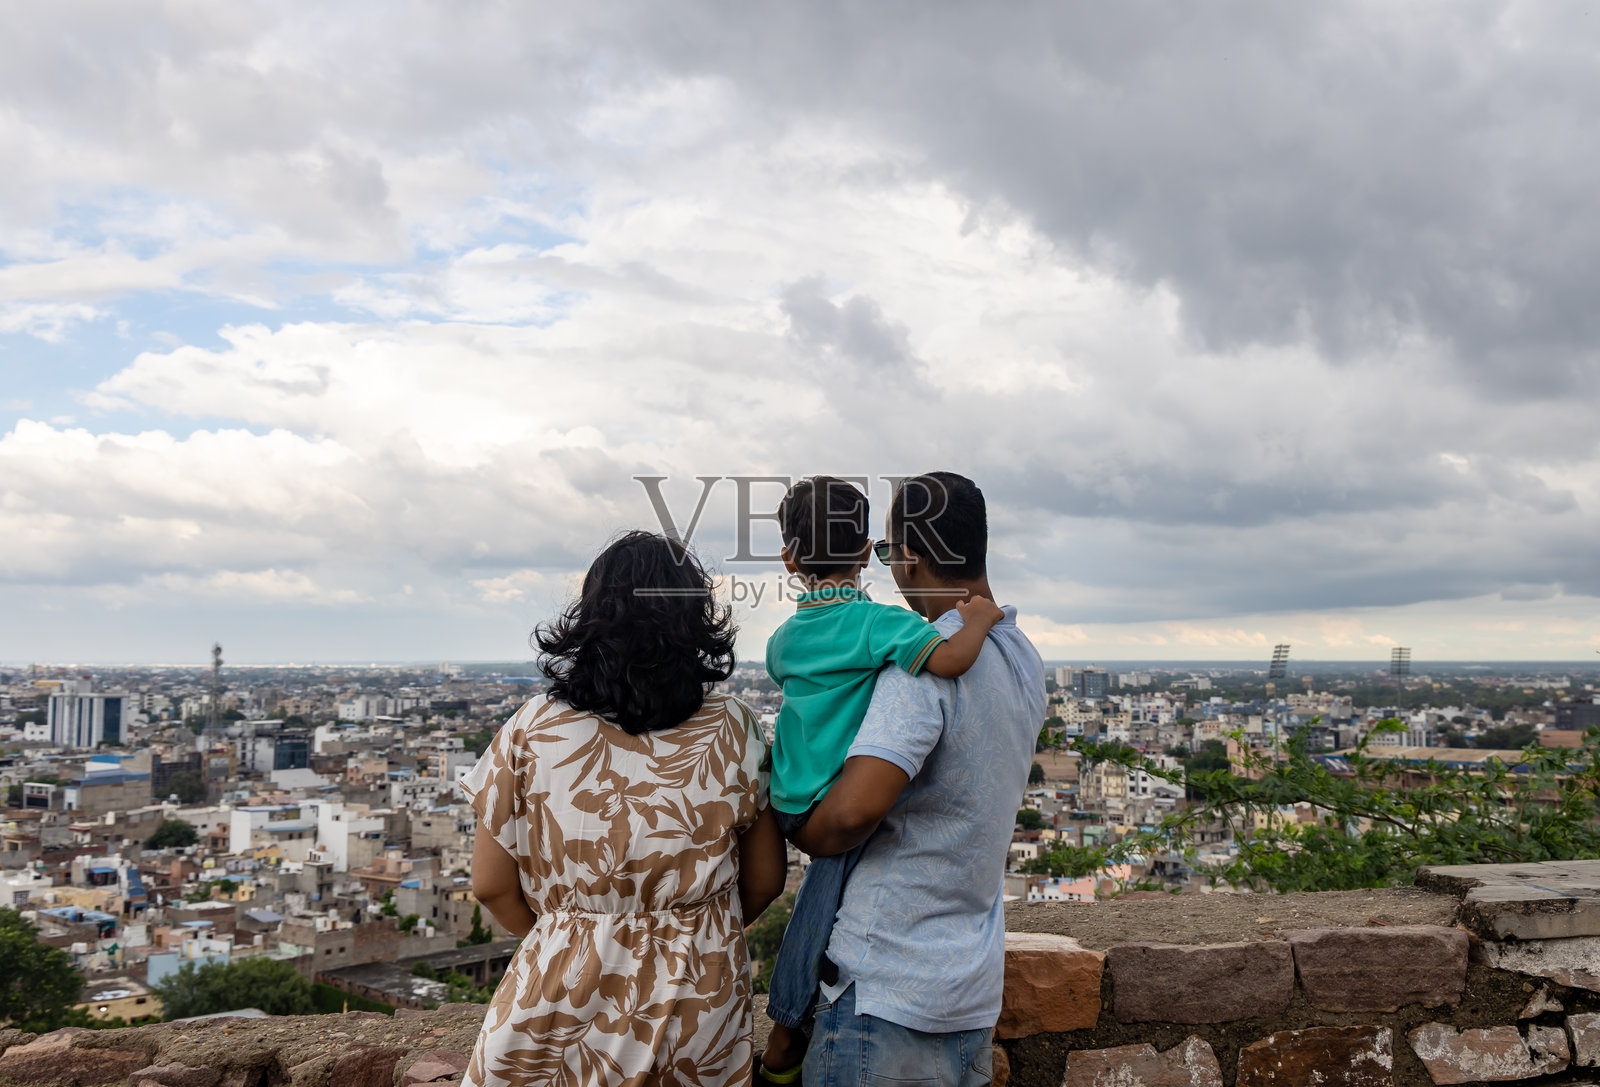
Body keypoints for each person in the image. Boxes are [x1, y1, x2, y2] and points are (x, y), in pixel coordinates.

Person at [460, 531, 787, 1087]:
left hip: (558, 987)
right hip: (697, 993)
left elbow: (490, 884)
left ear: (589, 620)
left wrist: (568, 934)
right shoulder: (734, 727)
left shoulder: (532, 727)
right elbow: (767, 879)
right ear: (693, 621)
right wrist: (692, 931)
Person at [789, 472, 1046, 1087]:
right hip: (969, 992)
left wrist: (799, 831)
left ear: (910, 554)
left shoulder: (922, 666)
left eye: (886, 552)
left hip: (884, 992)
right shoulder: (1022, 655)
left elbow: (851, 814)